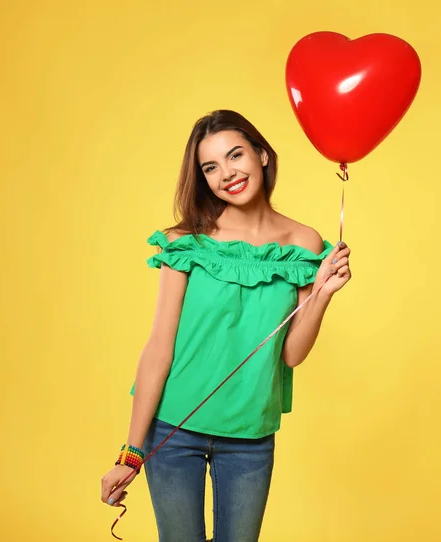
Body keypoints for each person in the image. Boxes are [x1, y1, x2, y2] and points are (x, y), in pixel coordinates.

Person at [101, 110, 351, 542]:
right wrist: (131, 452)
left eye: (235, 155)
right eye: (210, 167)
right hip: (174, 432)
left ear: (263, 155)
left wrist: (323, 293)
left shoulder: (303, 244)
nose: (226, 173)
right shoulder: (186, 243)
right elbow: (159, 348)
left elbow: (289, 354)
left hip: (250, 437)